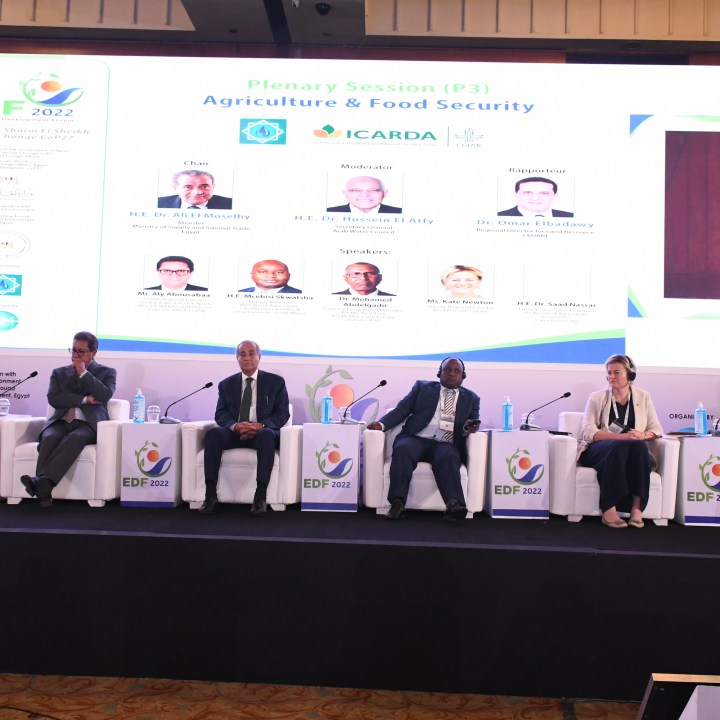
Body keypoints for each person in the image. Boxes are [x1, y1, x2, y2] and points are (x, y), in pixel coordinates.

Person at [367, 357, 480, 521]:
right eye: (447, 370)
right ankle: (397, 503)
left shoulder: (472, 398)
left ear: (463, 376)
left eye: (457, 371)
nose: (452, 374)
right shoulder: (422, 388)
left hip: (445, 442)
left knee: (449, 455)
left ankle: (454, 505)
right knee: (403, 448)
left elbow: (472, 423)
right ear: (439, 373)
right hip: (417, 438)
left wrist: (468, 429)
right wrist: (382, 424)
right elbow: (402, 410)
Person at [20, 331, 117, 508]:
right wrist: (84, 399)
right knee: (49, 437)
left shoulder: (107, 372)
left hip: (87, 424)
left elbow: (104, 395)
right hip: (61, 421)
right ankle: (44, 487)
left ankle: (41, 484)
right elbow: (54, 399)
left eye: (81, 351)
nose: (75, 355)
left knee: (74, 438)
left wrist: (83, 373)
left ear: (93, 353)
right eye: (73, 350)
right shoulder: (59, 373)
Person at [200, 340, 290, 516]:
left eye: (251, 353)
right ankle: (210, 495)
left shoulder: (275, 382)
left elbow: (282, 413)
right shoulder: (226, 384)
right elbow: (221, 413)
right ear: (237, 358)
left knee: (266, 435)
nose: (247, 357)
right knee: (213, 434)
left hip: (261, 432)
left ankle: (260, 497)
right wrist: (235, 426)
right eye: (242, 354)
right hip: (236, 432)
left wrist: (260, 425)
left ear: (259, 357)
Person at [579, 354, 663, 529]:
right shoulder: (597, 397)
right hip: (600, 449)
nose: (611, 377)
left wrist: (642, 435)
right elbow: (587, 431)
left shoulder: (643, 397)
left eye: (617, 372)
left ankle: (636, 509)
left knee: (638, 446)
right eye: (609, 373)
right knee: (619, 447)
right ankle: (609, 509)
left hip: (633, 451)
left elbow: (656, 429)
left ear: (630, 375)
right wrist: (622, 437)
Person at [498, 176, 573, 217]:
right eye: (527, 193)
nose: (535, 198)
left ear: (555, 196)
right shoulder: (499, 216)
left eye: (544, 193)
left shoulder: (570, 216)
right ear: (515, 195)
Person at [157, 169, 232, 209]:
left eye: (204, 187)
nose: (197, 192)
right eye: (188, 187)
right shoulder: (159, 203)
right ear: (175, 188)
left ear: (213, 187)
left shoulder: (230, 204)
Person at [326, 176, 402, 214]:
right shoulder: (329, 212)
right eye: (355, 190)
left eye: (373, 190)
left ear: (385, 193)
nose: (364, 195)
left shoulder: (400, 213)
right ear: (345, 193)